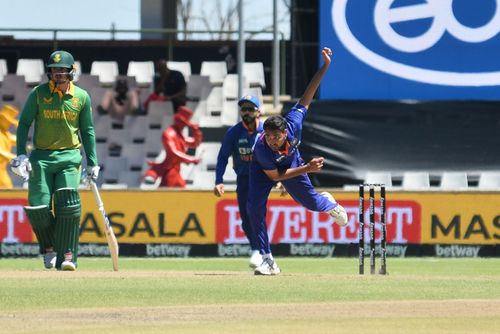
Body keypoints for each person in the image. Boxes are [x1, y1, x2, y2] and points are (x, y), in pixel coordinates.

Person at [247, 47, 348, 276]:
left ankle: (330, 204)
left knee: (311, 204)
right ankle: (268, 260)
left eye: (276, 136)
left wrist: (326, 66)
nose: (272, 140)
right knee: (254, 208)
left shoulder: (293, 122)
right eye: (269, 136)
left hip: (292, 164)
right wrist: (309, 168)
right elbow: (275, 177)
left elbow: (308, 94)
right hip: (264, 170)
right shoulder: (262, 149)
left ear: (285, 132)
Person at [9, 50, 99, 271]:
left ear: (71, 73)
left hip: (69, 157)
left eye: (62, 71)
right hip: (41, 158)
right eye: (54, 71)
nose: (57, 75)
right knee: (38, 206)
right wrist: (21, 154)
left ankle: (68, 256)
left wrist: (93, 162)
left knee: (67, 204)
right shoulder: (39, 94)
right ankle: (49, 247)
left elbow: (87, 131)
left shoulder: (81, 97)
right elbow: (23, 124)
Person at [213, 95, 264, 269]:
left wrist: (282, 179)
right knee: (245, 219)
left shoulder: (266, 131)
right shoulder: (234, 133)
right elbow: (222, 157)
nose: (246, 112)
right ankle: (258, 250)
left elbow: (281, 154)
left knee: (254, 213)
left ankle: (261, 251)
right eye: (244, 109)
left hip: (264, 179)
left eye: (250, 109)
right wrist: (219, 180)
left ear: (259, 112)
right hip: (243, 179)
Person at [143, 106, 202, 187]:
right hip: (170, 169)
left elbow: (195, 143)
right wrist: (190, 159)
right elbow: (173, 152)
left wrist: (196, 131)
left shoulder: (180, 136)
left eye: (184, 124)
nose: (183, 125)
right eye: (181, 122)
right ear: (176, 121)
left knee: (175, 192)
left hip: (175, 170)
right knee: (170, 192)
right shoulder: (168, 134)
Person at [0, 105, 19, 188]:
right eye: (7, 122)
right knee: (7, 187)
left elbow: (14, 139)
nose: (9, 125)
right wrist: (13, 157)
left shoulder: (5, 133)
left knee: (7, 187)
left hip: (2, 170)